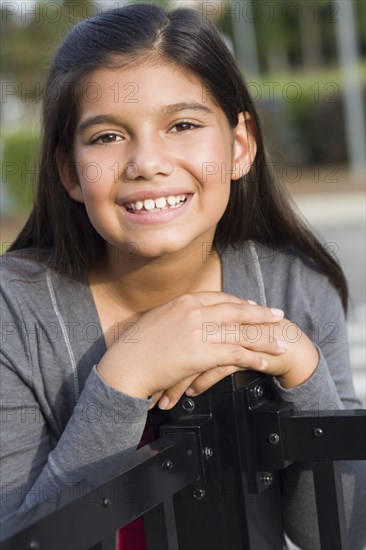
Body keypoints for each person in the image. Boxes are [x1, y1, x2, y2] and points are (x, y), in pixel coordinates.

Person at [1, 3, 364, 549]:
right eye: (106, 137)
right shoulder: (16, 312)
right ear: (69, 171)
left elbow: (340, 531)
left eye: (184, 124)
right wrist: (125, 377)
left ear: (239, 146)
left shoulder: (294, 289)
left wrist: (300, 365)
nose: (148, 161)